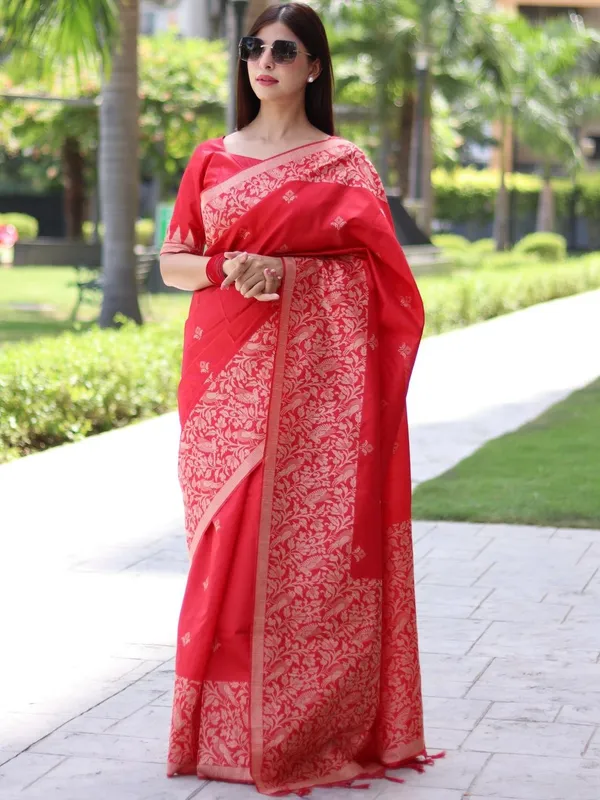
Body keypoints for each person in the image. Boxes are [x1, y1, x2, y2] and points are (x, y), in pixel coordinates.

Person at [160, 3, 432, 796]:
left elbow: (384, 280)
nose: (265, 62)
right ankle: (215, 730)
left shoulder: (344, 164)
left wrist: (290, 274)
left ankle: (304, 726)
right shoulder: (211, 159)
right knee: (224, 543)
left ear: (314, 66)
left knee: (304, 559)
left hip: (317, 395)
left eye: (284, 51)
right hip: (223, 379)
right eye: (255, 48)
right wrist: (227, 267)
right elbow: (174, 262)